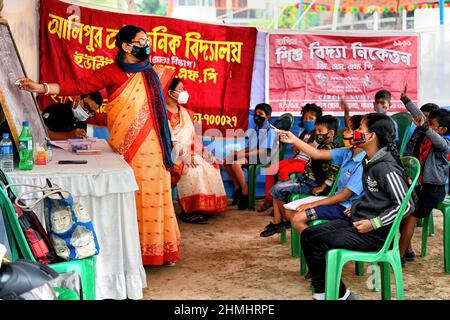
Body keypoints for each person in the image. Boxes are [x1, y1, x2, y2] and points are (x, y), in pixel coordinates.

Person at [17, 25, 180, 266]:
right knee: (132, 195)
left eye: (147, 41)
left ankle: (158, 250)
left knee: (156, 193)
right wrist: (43, 88)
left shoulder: (151, 72)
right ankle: (136, 252)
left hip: (153, 145)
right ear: (126, 46)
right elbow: (80, 86)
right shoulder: (111, 72)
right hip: (128, 147)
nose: (146, 45)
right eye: (141, 41)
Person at [298, 113, 414, 300]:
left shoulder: (385, 167)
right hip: (358, 221)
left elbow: (406, 205)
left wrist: (374, 223)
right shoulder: (370, 161)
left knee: (317, 242)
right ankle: (330, 294)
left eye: (360, 129)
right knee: (308, 235)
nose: (354, 133)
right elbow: (375, 196)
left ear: (371, 136)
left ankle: (333, 294)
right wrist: (358, 205)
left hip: (375, 234)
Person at [282, 115, 365, 233]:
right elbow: (317, 154)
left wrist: (312, 204)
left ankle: (319, 244)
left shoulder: (362, 163)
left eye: (348, 130)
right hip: (337, 202)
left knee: (297, 218)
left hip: (346, 207)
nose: (343, 134)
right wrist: (294, 139)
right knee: (289, 211)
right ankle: (318, 241)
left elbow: (344, 196)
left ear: (360, 135)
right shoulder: (346, 152)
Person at [260, 115, 339, 237]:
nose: (317, 134)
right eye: (316, 130)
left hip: (312, 184)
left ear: (330, 133)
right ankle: (278, 223)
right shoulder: (321, 146)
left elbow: (333, 172)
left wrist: (323, 187)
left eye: (320, 131)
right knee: (277, 189)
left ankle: (286, 221)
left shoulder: (330, 149)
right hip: (306, 179)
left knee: (276, 189)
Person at [399, 85, 450, 265]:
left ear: (442, 129)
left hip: (433, 191)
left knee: (411, 215)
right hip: (419, 187)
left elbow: (428, 130)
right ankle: (408, 249)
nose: (427, 125)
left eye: (432, 125)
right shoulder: (424, 135)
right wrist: (406, 100)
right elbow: (420, 117)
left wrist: (425, 127)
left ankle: (398, 256)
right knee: (402, 212)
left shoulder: (444, 144)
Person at [166, 78, 227, 224]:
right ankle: (189, 211)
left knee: (210, 165)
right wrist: (184, 155)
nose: (183, 92)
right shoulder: (163, 113)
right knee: (194, 169)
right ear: (170, 92)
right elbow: (169, 140)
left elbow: (193, 139)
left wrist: (205, 152)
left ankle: (204, 207)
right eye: (180, 89)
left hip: (189, 151)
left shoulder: (186, 113)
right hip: (172, 153)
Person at [257, 103, 322, 213]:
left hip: (307, 163)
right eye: (305, 118)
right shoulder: (302, 133)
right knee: (270, 169)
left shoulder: (319, 134)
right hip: (296, 159)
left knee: (284, 171)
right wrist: (296, 145)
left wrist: (298, 144)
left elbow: (311, 148)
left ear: (317, 120)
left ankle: (283, 201)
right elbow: (295, 147)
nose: (307, 121)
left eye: (311, 118)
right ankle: (270, 200)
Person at [224, 103, 276, 211]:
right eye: (256, 113)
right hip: (253, 154)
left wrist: (242, 155)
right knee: (227, 160)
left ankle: (245, 193)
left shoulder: (269, 130)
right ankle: (238, 189)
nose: (257, 116)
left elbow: (262, 150)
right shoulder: (255, 129)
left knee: (236, 164)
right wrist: (237, 152)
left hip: (263, 156)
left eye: (260, 114)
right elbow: (250, 147)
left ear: (268, 116)